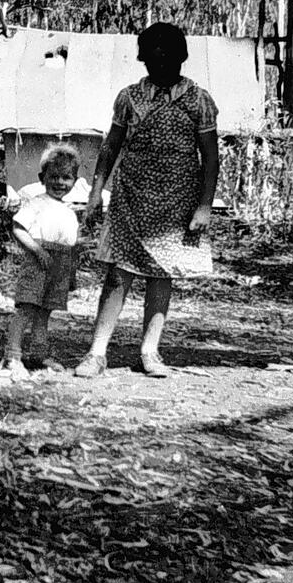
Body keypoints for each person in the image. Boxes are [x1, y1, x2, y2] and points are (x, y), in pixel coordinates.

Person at [75, 22, 219, 379]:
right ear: (143, 61)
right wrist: (96, 192)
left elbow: (211, 158)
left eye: (168, 61)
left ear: (182, 58)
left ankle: (149, 350)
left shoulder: (198, 101)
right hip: (131, 197)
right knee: (118, 274)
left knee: (161, 275)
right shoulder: (129, 98)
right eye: (153, 63)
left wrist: (204, 206)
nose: (161, 69)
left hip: (177, 202)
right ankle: (97, 352)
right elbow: (111, 146)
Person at [0, 144, 81, 377]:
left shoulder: (69, 213)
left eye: (66, 177)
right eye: (54, 176)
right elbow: (18, 228)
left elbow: (71, 247)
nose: (59, 182)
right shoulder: (36, 203)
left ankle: (38, 353)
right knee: (27, 308)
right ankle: (12, 354)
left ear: (75, 181)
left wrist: (71, 274)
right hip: (38, 262)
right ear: (42, 177)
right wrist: (36, 250)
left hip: (60, 266)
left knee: (45, 312)